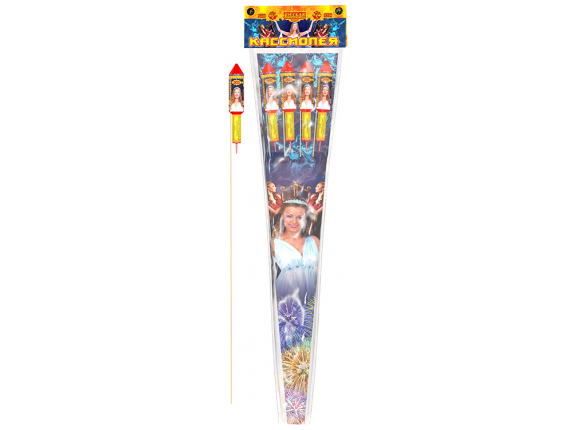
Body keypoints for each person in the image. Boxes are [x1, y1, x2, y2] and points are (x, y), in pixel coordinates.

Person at [272, 199, 320, 305]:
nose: (294, 221)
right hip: (285, 298)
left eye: (299, 217)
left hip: (312, 298)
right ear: (282, 217)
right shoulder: (274, 244)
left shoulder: (314, 241)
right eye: (289, 216)